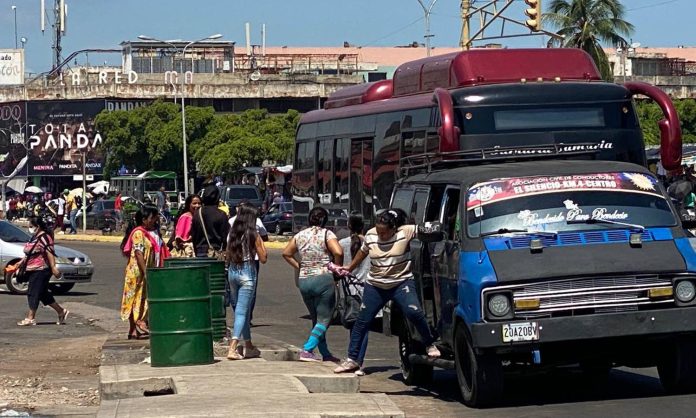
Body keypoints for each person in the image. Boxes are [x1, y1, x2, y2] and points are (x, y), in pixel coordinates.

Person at [333, 209, 441, 374]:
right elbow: (363, 252)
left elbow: (429, 229)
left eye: (384, 232)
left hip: (401, 282)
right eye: (378, 231)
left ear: (394, 228)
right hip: (376, 285)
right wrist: (349, 267)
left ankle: (429, 343)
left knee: (415, 312)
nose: (380, 235)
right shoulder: (370, 235)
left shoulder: (406, 231)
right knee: (362, 321)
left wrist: (435, 228)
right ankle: (352, 359)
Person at [282, 206, 343, 362]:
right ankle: (307, 349)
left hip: (304, 280)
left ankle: (325, 353)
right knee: (325, 319)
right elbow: (338, 252)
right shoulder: (327, 234)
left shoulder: (300, 235)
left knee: (316, 319)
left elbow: (286, 253)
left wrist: (299, 266)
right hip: (323, 278)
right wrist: (337, 270)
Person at [120, 205, 170, 339]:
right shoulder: (138, 233)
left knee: (144, 298)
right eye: (152, 218)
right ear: (144, 219)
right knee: (133, 298)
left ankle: (136, 327)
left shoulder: (155, 231)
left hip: (151, 268)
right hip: (137, 272)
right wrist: (145, 272)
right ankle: (137, 323)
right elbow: (138, 253)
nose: (155, 220)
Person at [226, 204, 268, 360]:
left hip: (232, 272)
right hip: (247, 273)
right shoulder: (253, 234)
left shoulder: (232, 234)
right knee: (243, 312)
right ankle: (233, 347)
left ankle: (249, 345)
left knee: (239, 312)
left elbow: (227, 254)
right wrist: (261, 244)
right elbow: (263, 258)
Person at [15, 215, 70, 326]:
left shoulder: (45, 237)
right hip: (31, 269)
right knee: (42, 293)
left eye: (31, 226)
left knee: (33, 292)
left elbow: (50, 253)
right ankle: (61, 311)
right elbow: (30, 253)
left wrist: (54, 267)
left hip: (41, 269)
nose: (29, 228)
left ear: (38, 226)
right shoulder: (34, 237)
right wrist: (20, 262)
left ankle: (31, 318)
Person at [337, 213, 371, 375]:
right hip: (368, 289)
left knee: (354, 326)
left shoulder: (342, 243)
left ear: (349, 226)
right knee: (363, 327)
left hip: (348, 290)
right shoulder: (370, 244)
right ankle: (358, 361)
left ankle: (353, 359)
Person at [191, 185, 230, 258]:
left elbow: (194, 235)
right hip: (216, 252)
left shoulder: (197, 214)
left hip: (200, 252)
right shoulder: (221, 214)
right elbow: (225, 236)